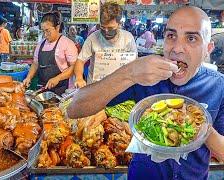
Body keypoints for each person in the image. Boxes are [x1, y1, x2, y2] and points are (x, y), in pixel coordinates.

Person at [67, 6, 224, 179]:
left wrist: (198, 127)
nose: (177, 48)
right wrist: (129, 73)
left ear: (208, 49)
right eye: (171, 36)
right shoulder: (145, 76)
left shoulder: (218, 86)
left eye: (192, 38)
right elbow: (75, 108)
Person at [74, 2, 137, 88]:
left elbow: (134, 63)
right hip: (95, 87)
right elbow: (80, 61)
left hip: (120, 88)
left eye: (110, 28)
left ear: (119, 24)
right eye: (103, 28)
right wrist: (79, 78)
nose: (106, 32)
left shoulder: (128, 38)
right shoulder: (93, 38)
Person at [23, 12, 78, 95]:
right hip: (42, 87)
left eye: (48, 31)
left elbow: (74, 67)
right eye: (43, 31)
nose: (45, 35)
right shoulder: (40, 44)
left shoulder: (67, 43)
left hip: (62, 88)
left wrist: (58, 78)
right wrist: (28, 77)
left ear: (57, 28)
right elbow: (35, 63)